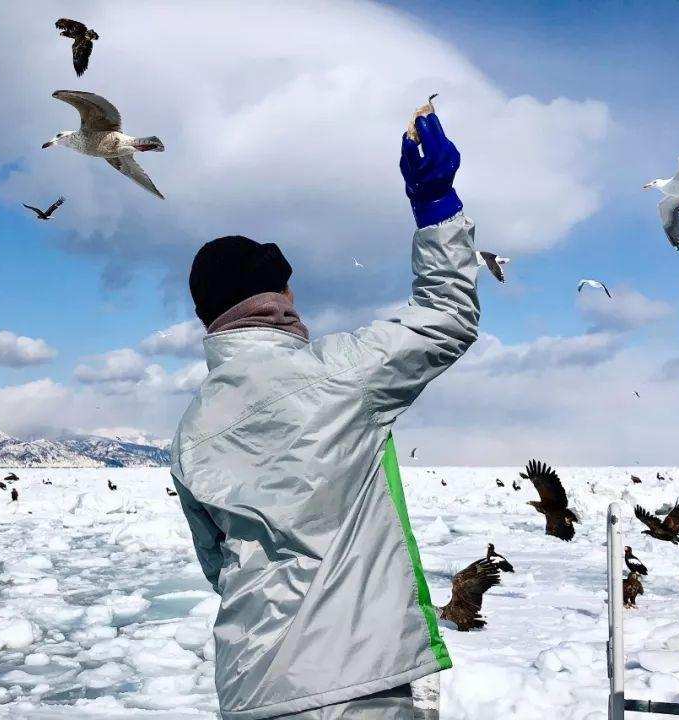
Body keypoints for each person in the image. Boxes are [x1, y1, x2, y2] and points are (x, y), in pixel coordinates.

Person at [170, 110, 480, 720]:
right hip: (353, 685)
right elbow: (448, 316)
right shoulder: (340, 373)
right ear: (276, 298)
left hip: (251, 689)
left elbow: (219, 566)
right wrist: (436, 204)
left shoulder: (191, 430)